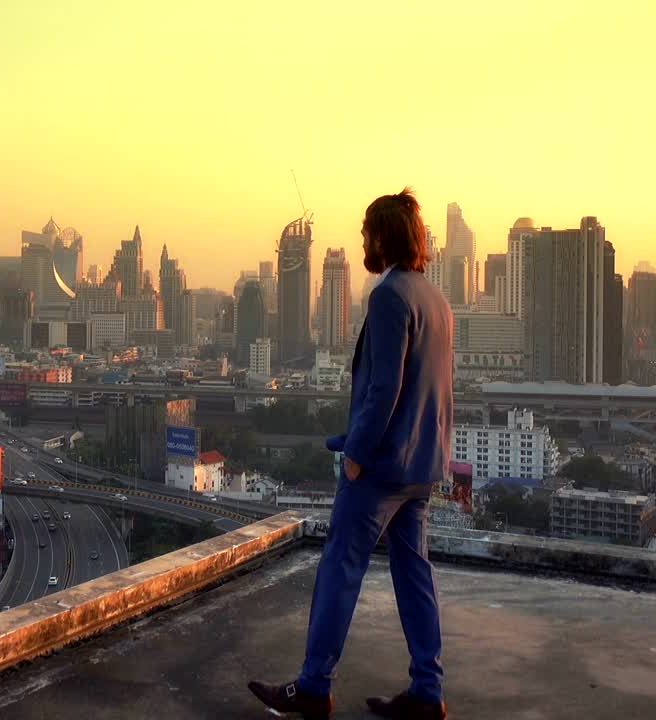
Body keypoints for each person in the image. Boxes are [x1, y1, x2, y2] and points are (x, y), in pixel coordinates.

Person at [249, 189, 453, 719]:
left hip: (382, 465)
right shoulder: (435, 297)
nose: (362, 238)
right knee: (415, 574)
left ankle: (314, 685)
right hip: (422, 466)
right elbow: (436, 389)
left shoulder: (389, 297)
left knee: (340, 566)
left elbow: (385, 386)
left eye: (366, 230)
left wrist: (357, 453)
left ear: (383, 236)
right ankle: (428, 692)